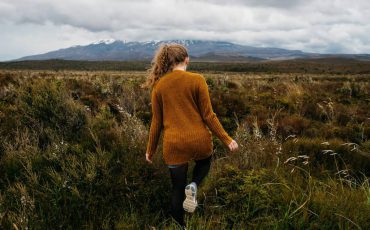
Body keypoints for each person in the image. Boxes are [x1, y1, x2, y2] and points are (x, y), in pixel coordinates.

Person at [141, 43, 239, 229]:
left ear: (167, 62)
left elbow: (156, 122)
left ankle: (179, 226)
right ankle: (194, 184)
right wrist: (227, 139)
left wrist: (150, 150)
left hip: (174, 144)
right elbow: (209, 115)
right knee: (205, 161)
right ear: (187, 60)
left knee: (177, 189)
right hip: (199, 140)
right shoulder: (197, 80)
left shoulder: (159, 86)